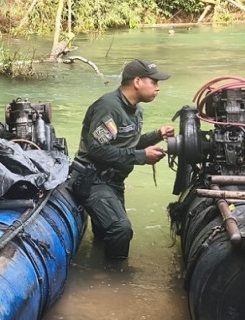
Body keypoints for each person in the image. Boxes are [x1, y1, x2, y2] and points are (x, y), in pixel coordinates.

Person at [72, 59, 174, 260]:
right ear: (137, 81)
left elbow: (127, 144)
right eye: (154, 82)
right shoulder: (109, 107)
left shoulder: (136, 110)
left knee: (104, 235)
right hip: (92, 180)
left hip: (114, 183)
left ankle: (95, 266)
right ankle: (113, 275)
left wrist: (156, 135)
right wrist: (142, 157)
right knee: (120, 229)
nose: (158, 88)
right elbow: (97, 149)